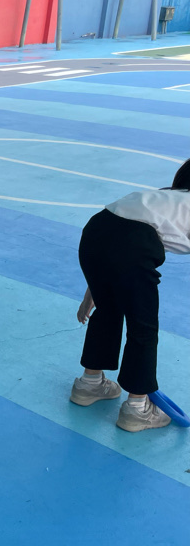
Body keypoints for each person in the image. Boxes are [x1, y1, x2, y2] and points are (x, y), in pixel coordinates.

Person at [69, 159, 190, 433]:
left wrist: (94, 290)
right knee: (142, 326)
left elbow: (113, 238)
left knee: (108, 309)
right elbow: (128, 242)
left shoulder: (165, 197)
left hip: (95, 231)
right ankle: (137, 409)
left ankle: (89, 384)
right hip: (132, 243)